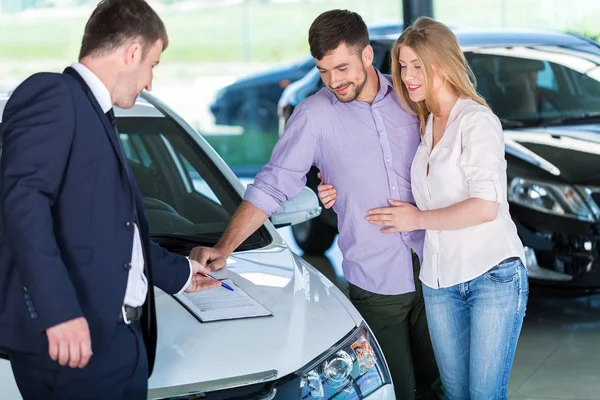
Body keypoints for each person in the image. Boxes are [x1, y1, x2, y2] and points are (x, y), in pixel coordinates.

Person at [189, 9, 439, 400]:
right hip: (376, 283)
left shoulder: (411, 97)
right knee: (397, 393)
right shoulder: (313, 116)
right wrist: (224, 248)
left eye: (342, 68)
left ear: (367, 55)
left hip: (439, 269)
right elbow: (272, 186)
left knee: (446, 387)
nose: (334, 81)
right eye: (323, 71)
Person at [0, 1, 222, 398]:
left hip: (120, 341)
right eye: (153, 63)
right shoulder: (53, 93)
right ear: (132, 52)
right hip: (73, 346)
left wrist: (183, 274)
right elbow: (23, 203)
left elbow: (119, 232)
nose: (150, 82)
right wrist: (58, 311)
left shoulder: (97, 113)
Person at [318, 17, 529, 400]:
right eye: (402, 65)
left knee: (482, 394)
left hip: (491, 276)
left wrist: (415, 219)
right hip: (439, 282)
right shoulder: (424, 121)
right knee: (453, 393)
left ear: (445, 64)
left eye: (420, 66)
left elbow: (486, 206)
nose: (409, 75)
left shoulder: (477, 122)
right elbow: (374, 162)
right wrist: (331, 186)